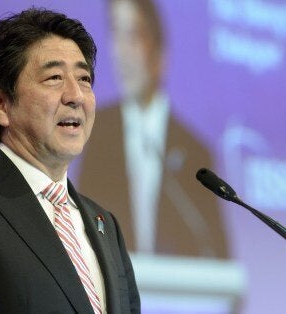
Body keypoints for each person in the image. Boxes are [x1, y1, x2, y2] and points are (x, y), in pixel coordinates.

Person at [0, 8, 140, 313]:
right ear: (0, 104)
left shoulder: (104, 223)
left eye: (84, 79)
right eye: (54, 77)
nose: (76, 96)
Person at [78, 0, 228, 258]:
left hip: (178, 295)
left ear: (159, 54)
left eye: (133, 35)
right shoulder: (95, 131)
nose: (122, 51)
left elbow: (217, 251)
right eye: (116, 33)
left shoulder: (195, 152)